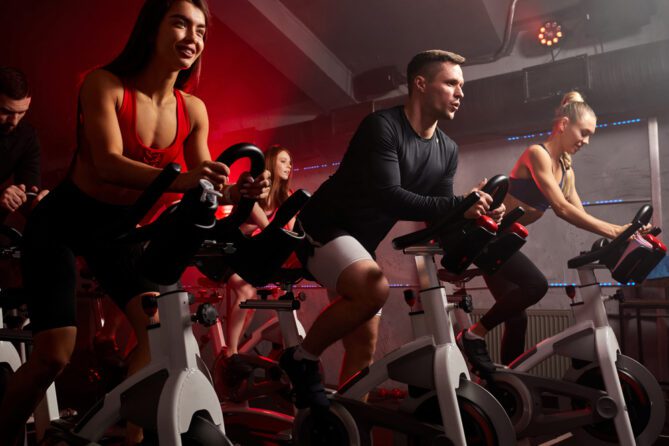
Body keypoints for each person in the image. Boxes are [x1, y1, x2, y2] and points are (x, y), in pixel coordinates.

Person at [0, 1, 270, 444]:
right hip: (62, 223)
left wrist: (235, 192)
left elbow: (205, 181)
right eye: (180, 23)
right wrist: (183, 179)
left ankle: (133, 436)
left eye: (200, 30)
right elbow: (107, 163)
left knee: (157, 339)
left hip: (120, 233)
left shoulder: (193, 109)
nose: (192, 37)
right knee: (54, 355)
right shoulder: (103, 85)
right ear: (151, 30)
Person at [279, 49, 497, 410]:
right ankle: (301, 359)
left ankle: (348, 423)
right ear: (421, 84)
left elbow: (438, 216)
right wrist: (460, 204)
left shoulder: (448, 150)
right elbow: (391, 197)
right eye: (451, 83)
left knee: (364, 344)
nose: (461, 93)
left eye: (462, 86)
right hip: (321, 227)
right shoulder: (382, 127)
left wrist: (477, 215)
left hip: (358, 243)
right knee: (374, 289)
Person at [461, 91, 633, 368]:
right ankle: (472, 335)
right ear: (564, 125)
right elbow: (563, 210)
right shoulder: (536, 154)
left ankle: (509, 380)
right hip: (483, 238)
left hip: (502, 242)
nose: (586, 141)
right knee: (536, 286)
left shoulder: (567, 172)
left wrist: (624, 232)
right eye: (583, 132)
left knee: (517, 316)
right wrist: (615, 232)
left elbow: (579, 213)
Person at [225, 145, 295, 363]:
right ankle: (231, 352)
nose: (289, 166)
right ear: (270, 163)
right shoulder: (253, 192)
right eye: (283, 161)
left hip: (244, 253)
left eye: (290, 162)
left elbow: (290, 232)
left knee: (253, 298)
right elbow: (268, 230)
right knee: (247, 292)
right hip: (225, 251)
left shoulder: (285, 196)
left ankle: (237, 350)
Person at [0, 67, 48, 222]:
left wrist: (39, 203)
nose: (14, 121)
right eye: (6, 112)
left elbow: (29, 190)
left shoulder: (27, 136)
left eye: (21, 112)